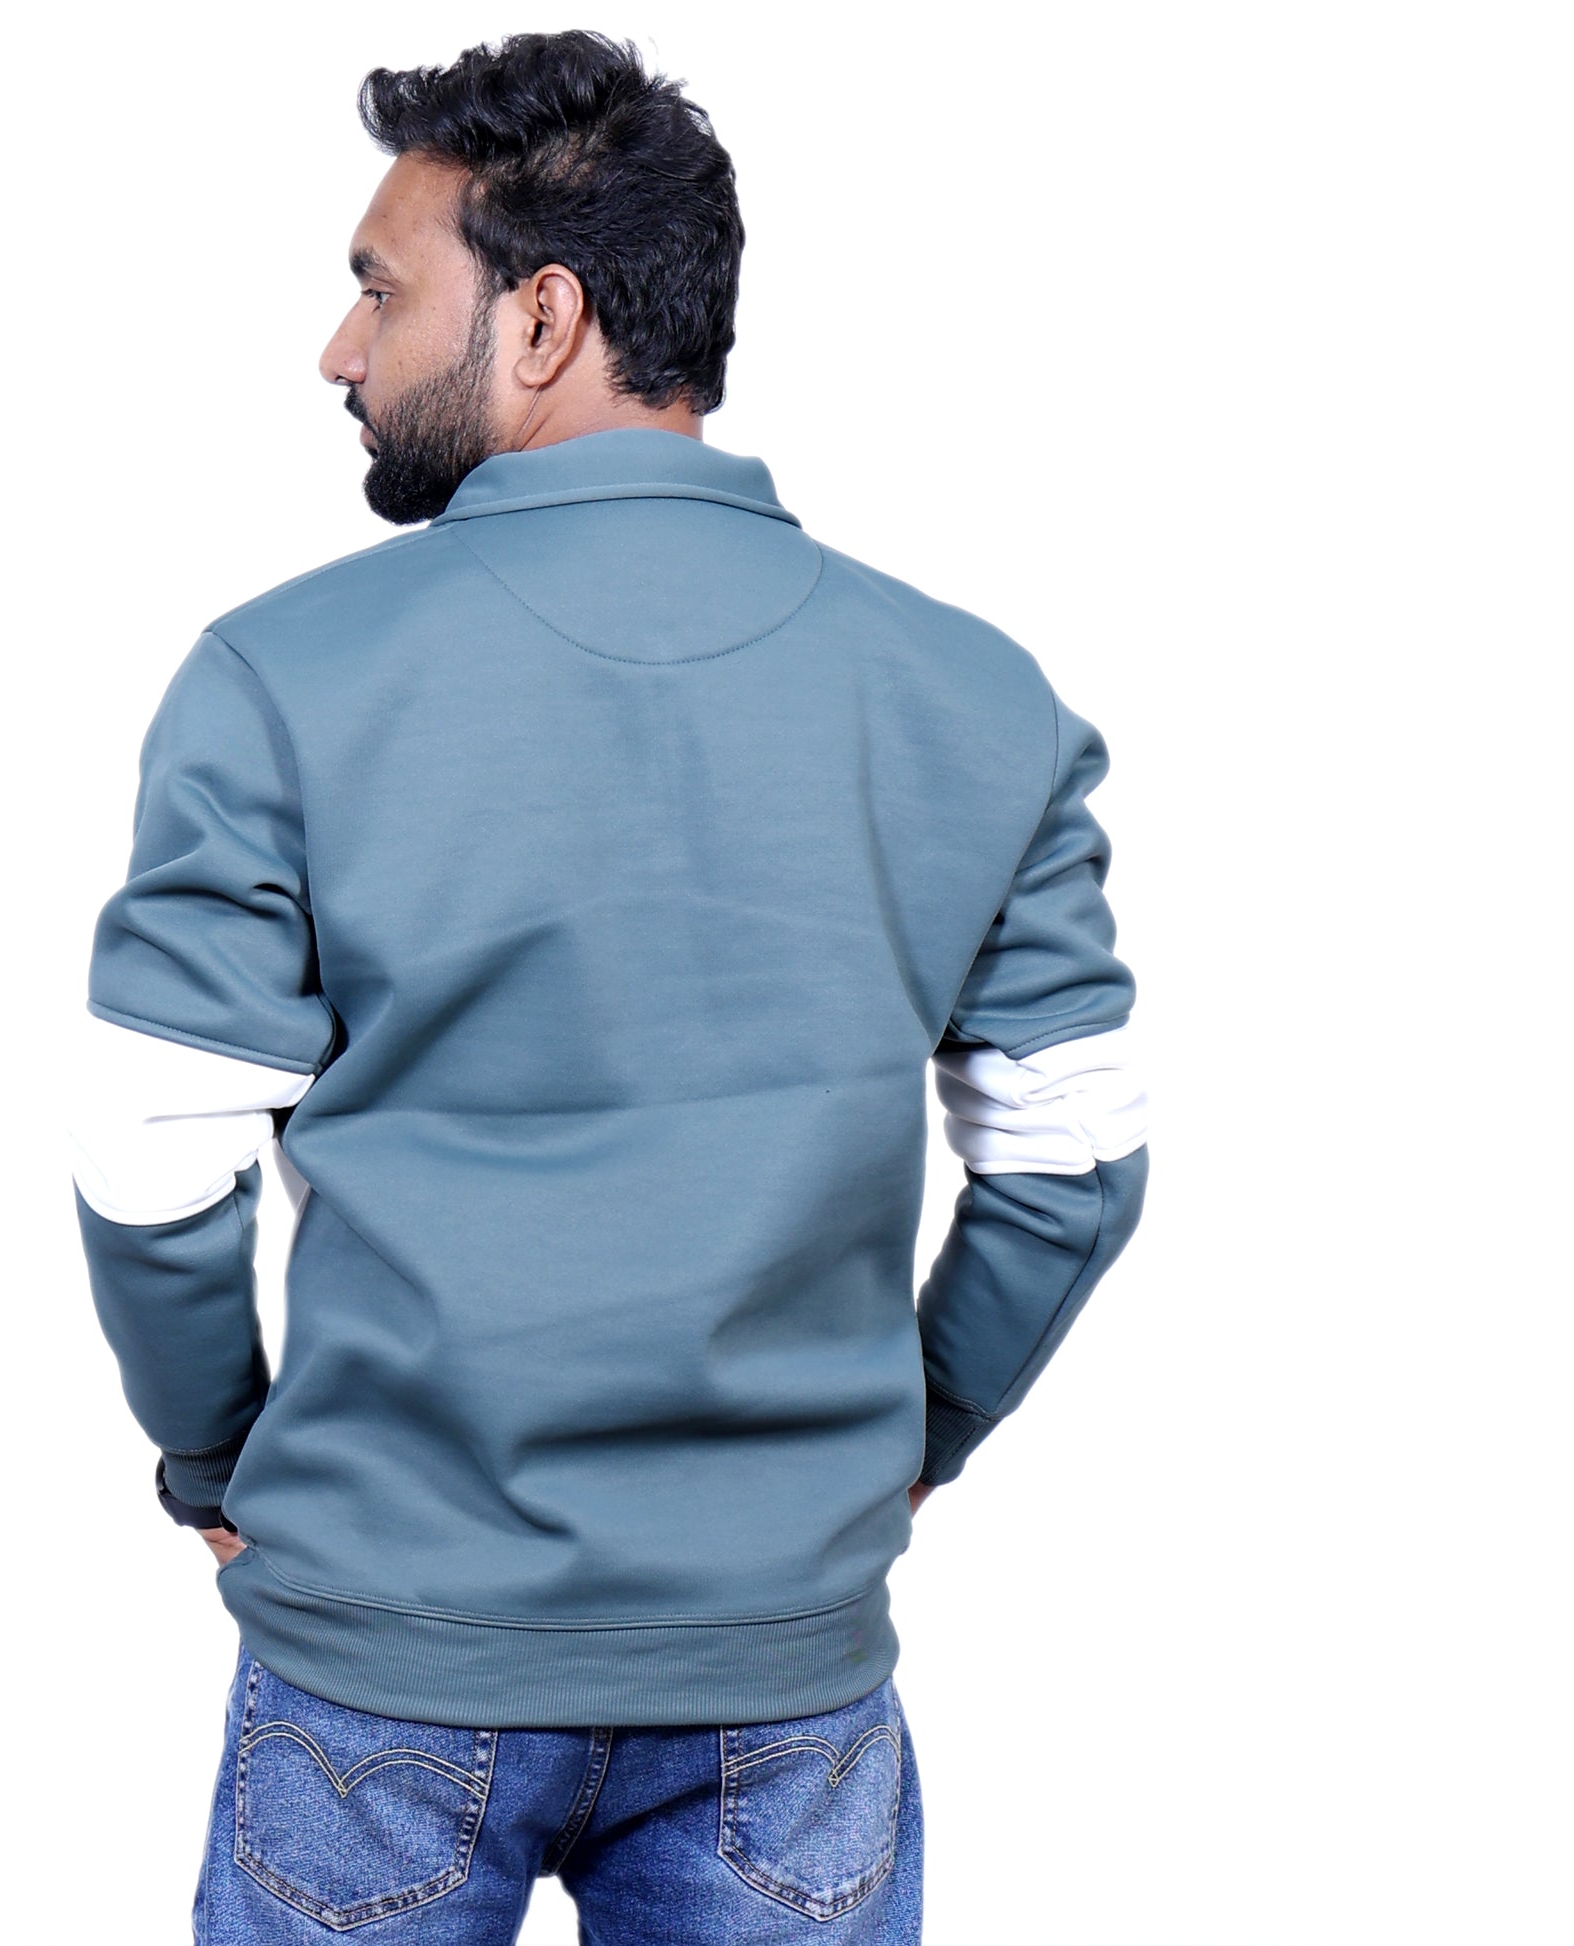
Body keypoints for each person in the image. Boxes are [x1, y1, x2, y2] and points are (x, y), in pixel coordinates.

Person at [64, 29, 1150, 1944]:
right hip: (783, 1672)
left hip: (380, 1663)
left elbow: (153, 1168)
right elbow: (1070, 1165)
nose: (338, 351)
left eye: (380, 289)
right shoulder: (979, 698)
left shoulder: (277, 679)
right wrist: (904, 1444)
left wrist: (221, 1461)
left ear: (543, 316)